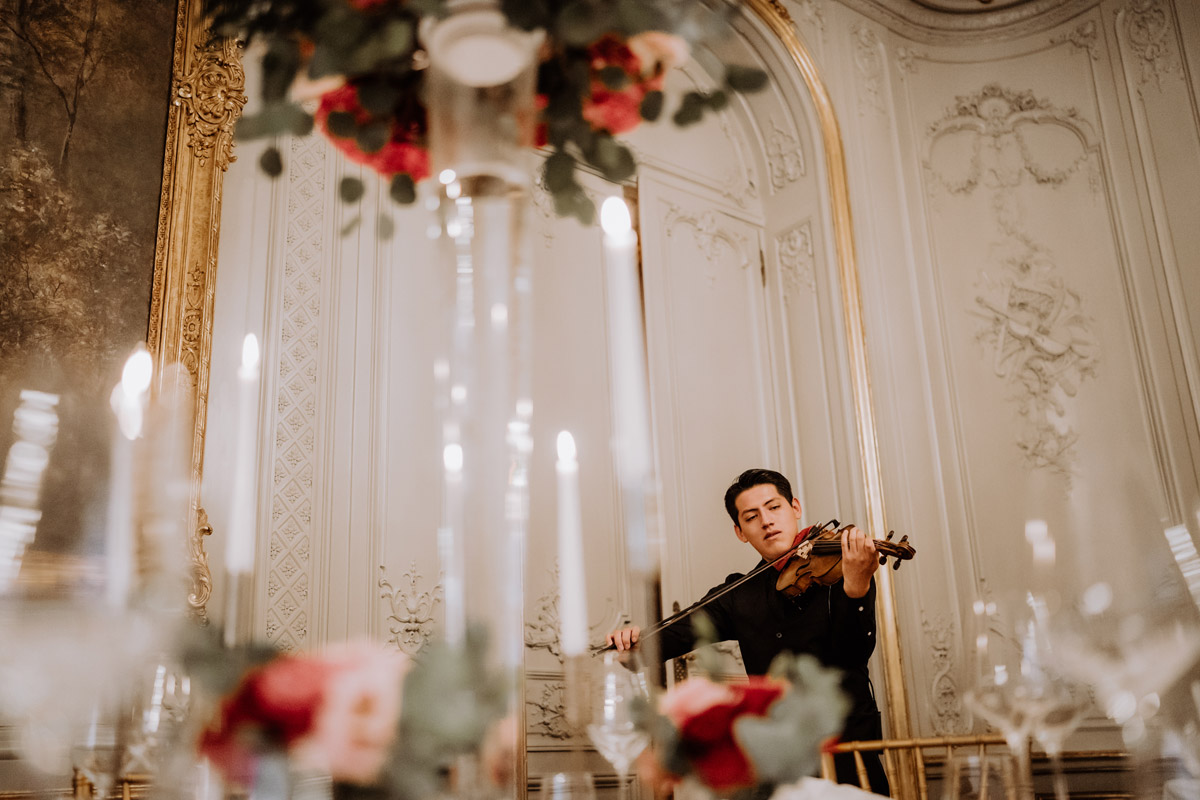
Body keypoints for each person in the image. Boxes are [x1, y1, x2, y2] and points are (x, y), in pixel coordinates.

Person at [606, 468, 889, 794]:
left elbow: (852, 652)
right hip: (775, 762)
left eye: (774, 507)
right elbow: (680, 630)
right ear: (740, 531)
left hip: (848, 751)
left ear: (795, 508)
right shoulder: (739, 593)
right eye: (752, 516)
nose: (767, 521)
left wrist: (856, 587)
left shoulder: (841, 569)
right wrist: (633, 643)